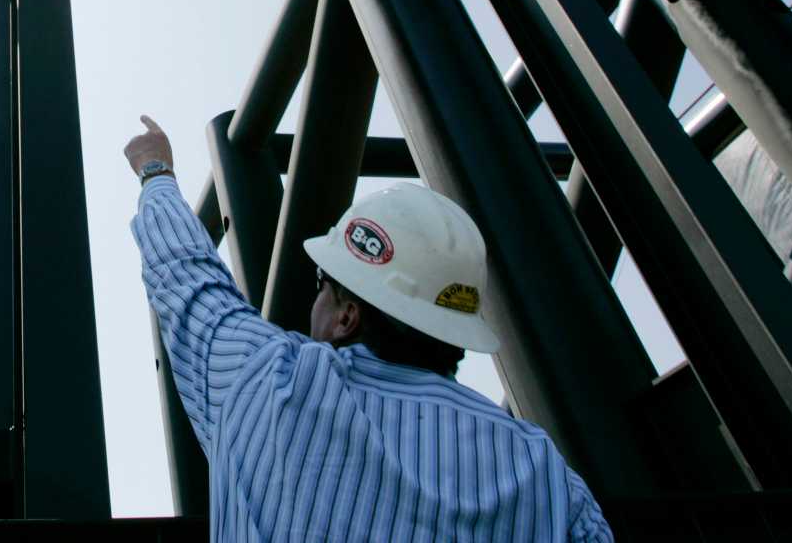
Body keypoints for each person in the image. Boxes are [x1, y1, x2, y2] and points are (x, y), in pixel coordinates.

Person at [124, 115, 613, 542]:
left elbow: (188, 278)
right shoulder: (543, 471)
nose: (314, 300)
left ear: (346, 316)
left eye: (324, 284)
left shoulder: (270, 384)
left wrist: (156, 173)